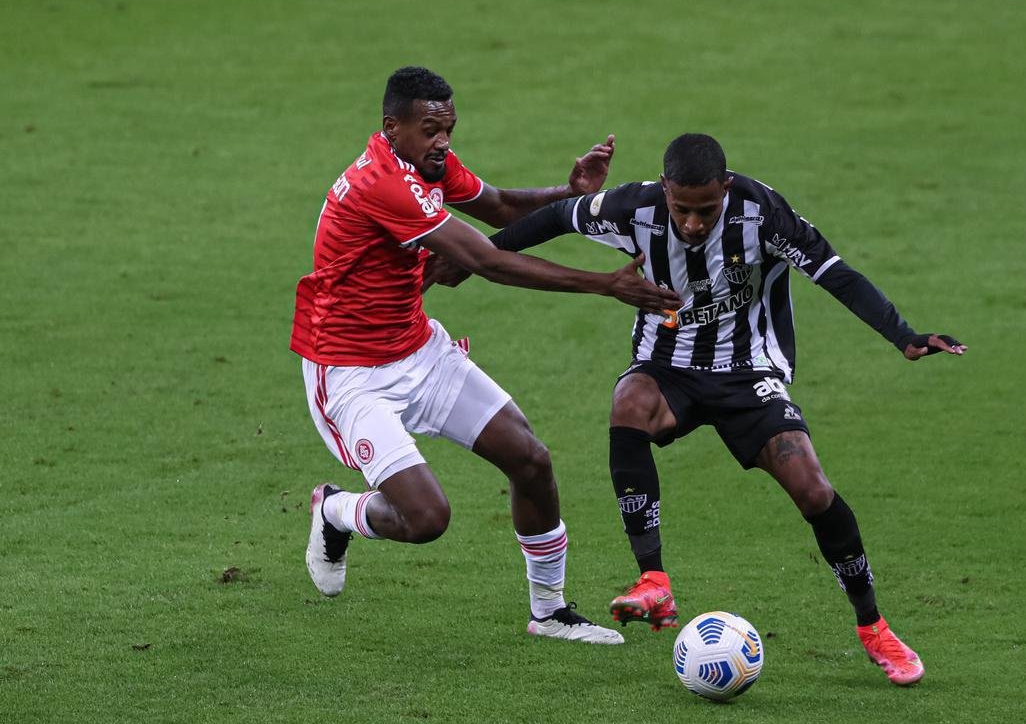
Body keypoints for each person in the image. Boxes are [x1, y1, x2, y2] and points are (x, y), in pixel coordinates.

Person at [437, 132, 966, 683]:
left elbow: (836, 274)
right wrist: (477, 258)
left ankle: (873, 627)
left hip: (750, 371)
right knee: (629, 403)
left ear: (727, 188)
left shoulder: (763, 215)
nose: (692, 223)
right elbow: (560, 217)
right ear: (664, 189)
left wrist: (903, 336)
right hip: (667, 366)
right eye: (681, 209)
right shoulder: (633, 207)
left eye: (706, 210)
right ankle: (653, 581)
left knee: (813, 489)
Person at [289, 66, 680, 645]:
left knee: (530, 460)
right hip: (351, 373)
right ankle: (337, 512)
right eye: (430, 129)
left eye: (448, 127)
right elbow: (486, 261)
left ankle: (548, 612)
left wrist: (570, 195)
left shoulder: (428, 165)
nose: (443, 140)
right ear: (391, 128)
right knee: (426, 520)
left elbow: (496, 207)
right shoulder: (382, 183)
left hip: (418, 349)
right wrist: (603, 284)